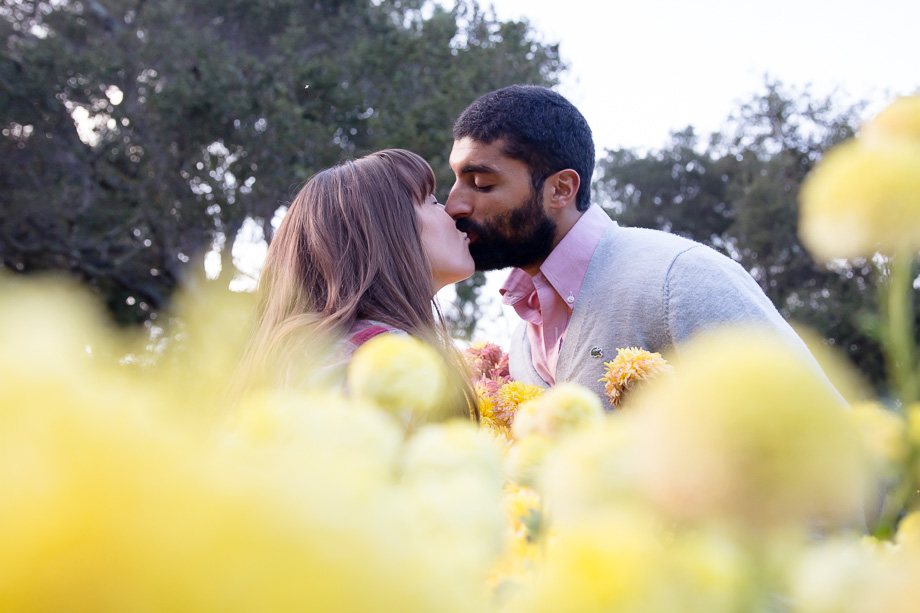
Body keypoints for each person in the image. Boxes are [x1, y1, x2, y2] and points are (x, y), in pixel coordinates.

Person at [445, 85, 835, 401]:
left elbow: (828, 447)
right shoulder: (523, 341)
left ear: (561, 189)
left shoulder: (678, 280)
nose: (453, 205)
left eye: (481, 184)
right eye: (456, 181)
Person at [232, 149, 477, 420]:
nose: (451, 212)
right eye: (430, 202)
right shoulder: (382, 360)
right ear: (389, 230)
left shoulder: (318, 353)